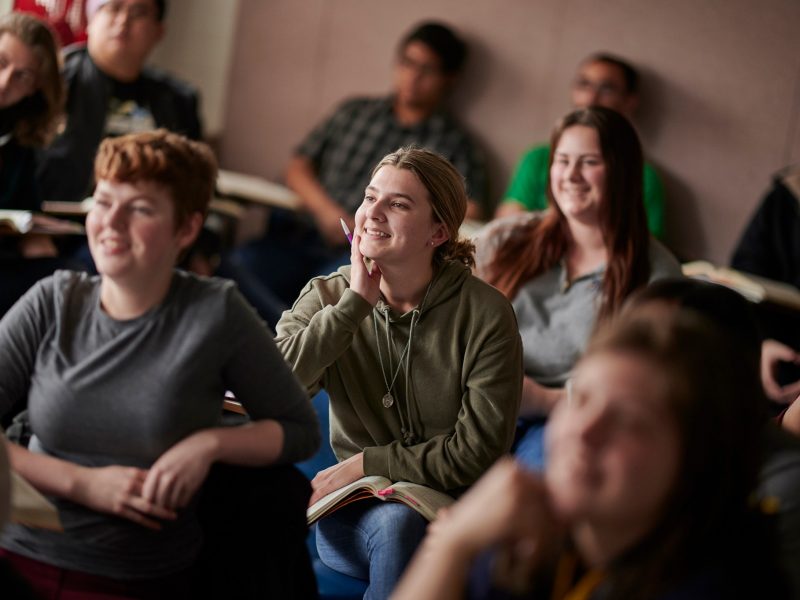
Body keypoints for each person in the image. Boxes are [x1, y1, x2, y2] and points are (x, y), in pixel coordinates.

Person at [0, 130, 320, 599]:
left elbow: (299, 429)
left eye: (141, 209)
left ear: (186, 229)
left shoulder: (216, 313)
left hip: (136, 578)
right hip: (20, 559)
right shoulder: (54, 300)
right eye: (104, 201)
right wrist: (83, 484)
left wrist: (210, 444)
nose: (111, 222)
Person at [393, 310, 788, 599]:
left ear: (695, 460)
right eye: (580, 398)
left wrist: (450, 549)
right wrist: (455, 545)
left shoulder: (717, 585)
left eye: (628, 421)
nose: (584, 430)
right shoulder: (545, 540)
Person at [276, 146, 522, 599]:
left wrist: (369, 462)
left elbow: (478, 452)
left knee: (403, 522)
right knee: (395, 522)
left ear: (438, 231)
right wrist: (353, 307)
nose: (374, 213)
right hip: (355, 511)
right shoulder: (329, 295)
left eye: (398, 204)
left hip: (452, 513)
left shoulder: (486, 314)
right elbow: (273, 390)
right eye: (370, 197)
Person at [475, 106, 681, 470]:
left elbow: (644, 388)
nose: (571, 175)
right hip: (476, 403)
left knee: (531, 485)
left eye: (589, 162)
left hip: (567, 422)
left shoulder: (657, 275)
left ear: (623, 172)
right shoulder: (505, 238)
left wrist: (547, 400)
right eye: (562, 160)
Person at [234, 21, 488, 305]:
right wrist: (326, 211)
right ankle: (283, 337)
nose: (413, 77)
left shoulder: (455, 145)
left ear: (449, 78)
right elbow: (297, 167)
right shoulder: (355, 113)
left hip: (371, 253)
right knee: (237, 267)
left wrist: (395, 228)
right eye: (407, 63)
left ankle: (286, 338)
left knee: (336, 297)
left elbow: (468, 210)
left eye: (426, 70)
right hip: (303, 234)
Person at [496, 52, 665, 239]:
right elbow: (507, 220)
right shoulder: (538, 157)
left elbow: (644, 246)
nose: (591, 98)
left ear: (630, 101)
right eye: (584, 84)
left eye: (607, 88)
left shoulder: (644, 177)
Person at [0, 12, 68, 317]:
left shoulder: (19, 145)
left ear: (35, 87)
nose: (4, 83)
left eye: (22, 75)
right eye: (1, 63)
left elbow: (29, 220)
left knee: (64, 282)